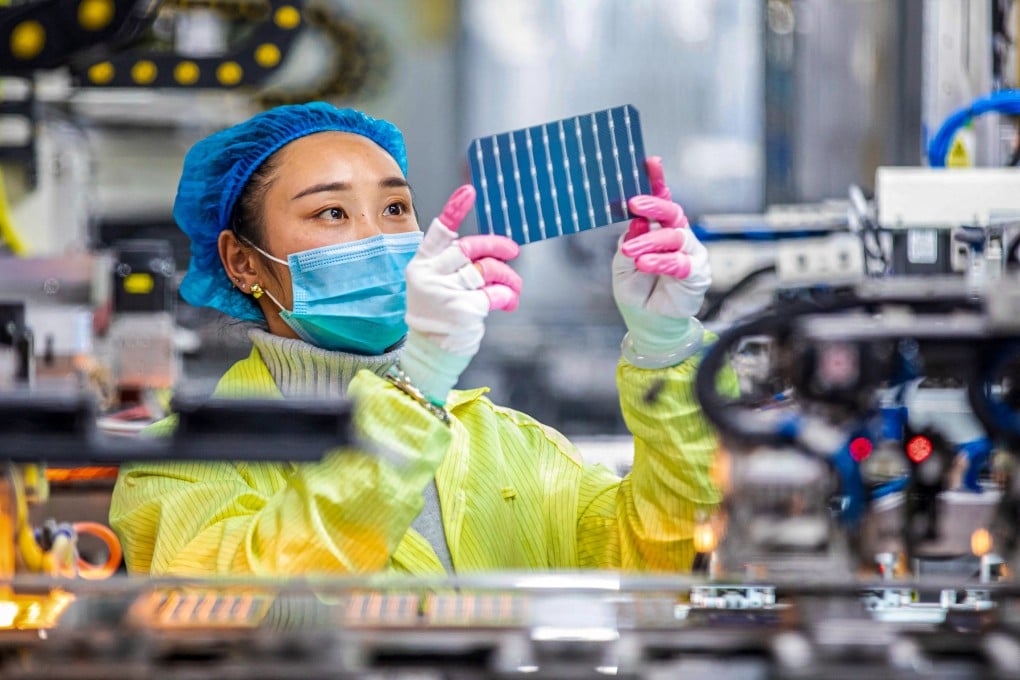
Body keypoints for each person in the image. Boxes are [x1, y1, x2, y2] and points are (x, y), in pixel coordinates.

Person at [109, 102, 734, 576]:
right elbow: (260, 608)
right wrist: (416, 389)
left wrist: (666, 346)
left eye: (394, 209)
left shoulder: (509, 447)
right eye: (331, 212)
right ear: (243, 263)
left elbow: (666, 552)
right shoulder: (179, 464)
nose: (376, 238)